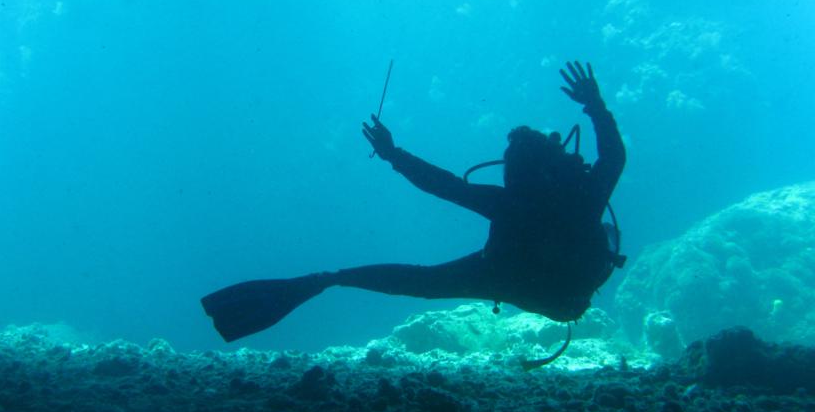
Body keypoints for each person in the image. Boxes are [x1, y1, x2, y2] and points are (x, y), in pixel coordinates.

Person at [202, 61, 626, 366]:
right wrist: (595, 104)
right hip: (568, 292)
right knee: (424, 280)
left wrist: (392, 154)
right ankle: (328, 280)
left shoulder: (508, 201)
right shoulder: (584, 194)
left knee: (421, 281)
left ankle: (326, 279)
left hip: (510, 279)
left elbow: (442, 185)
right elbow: (614, 156)